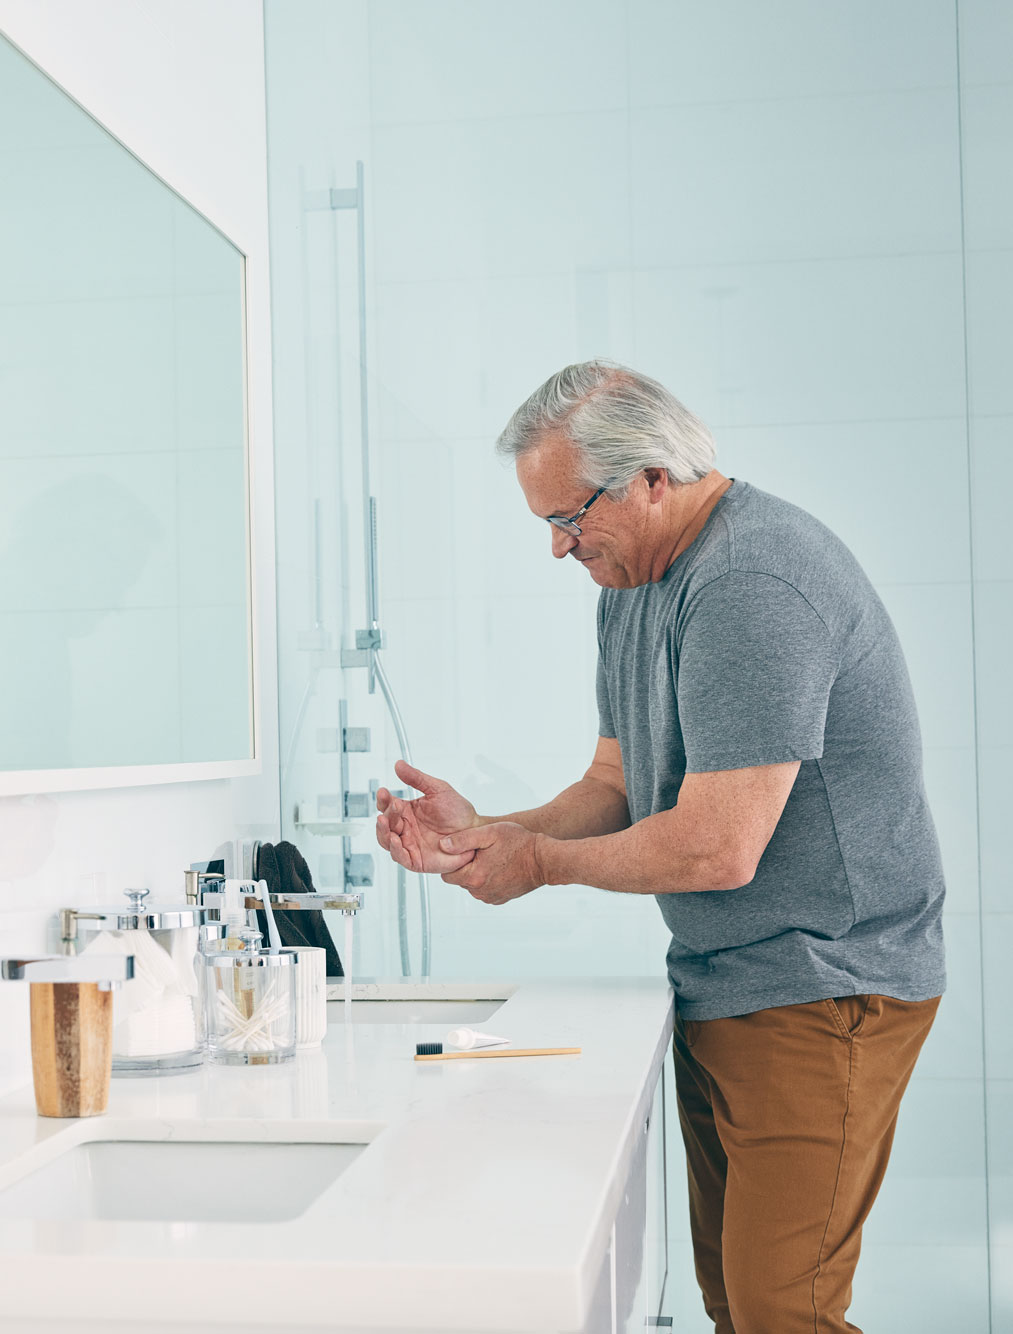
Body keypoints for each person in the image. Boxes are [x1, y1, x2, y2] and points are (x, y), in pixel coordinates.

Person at [374, 360, 945, 1334]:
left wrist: (537, 865)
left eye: (569, 516)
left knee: (782, 1310)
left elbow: (717, 848)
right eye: (545, 524)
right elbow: (616, 785)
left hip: (825, 982)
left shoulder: (752, 581)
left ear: (650, 476)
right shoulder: (632, 580)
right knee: (735, 1305)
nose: (558, 547)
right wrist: (492, 837)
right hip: (728, 978)